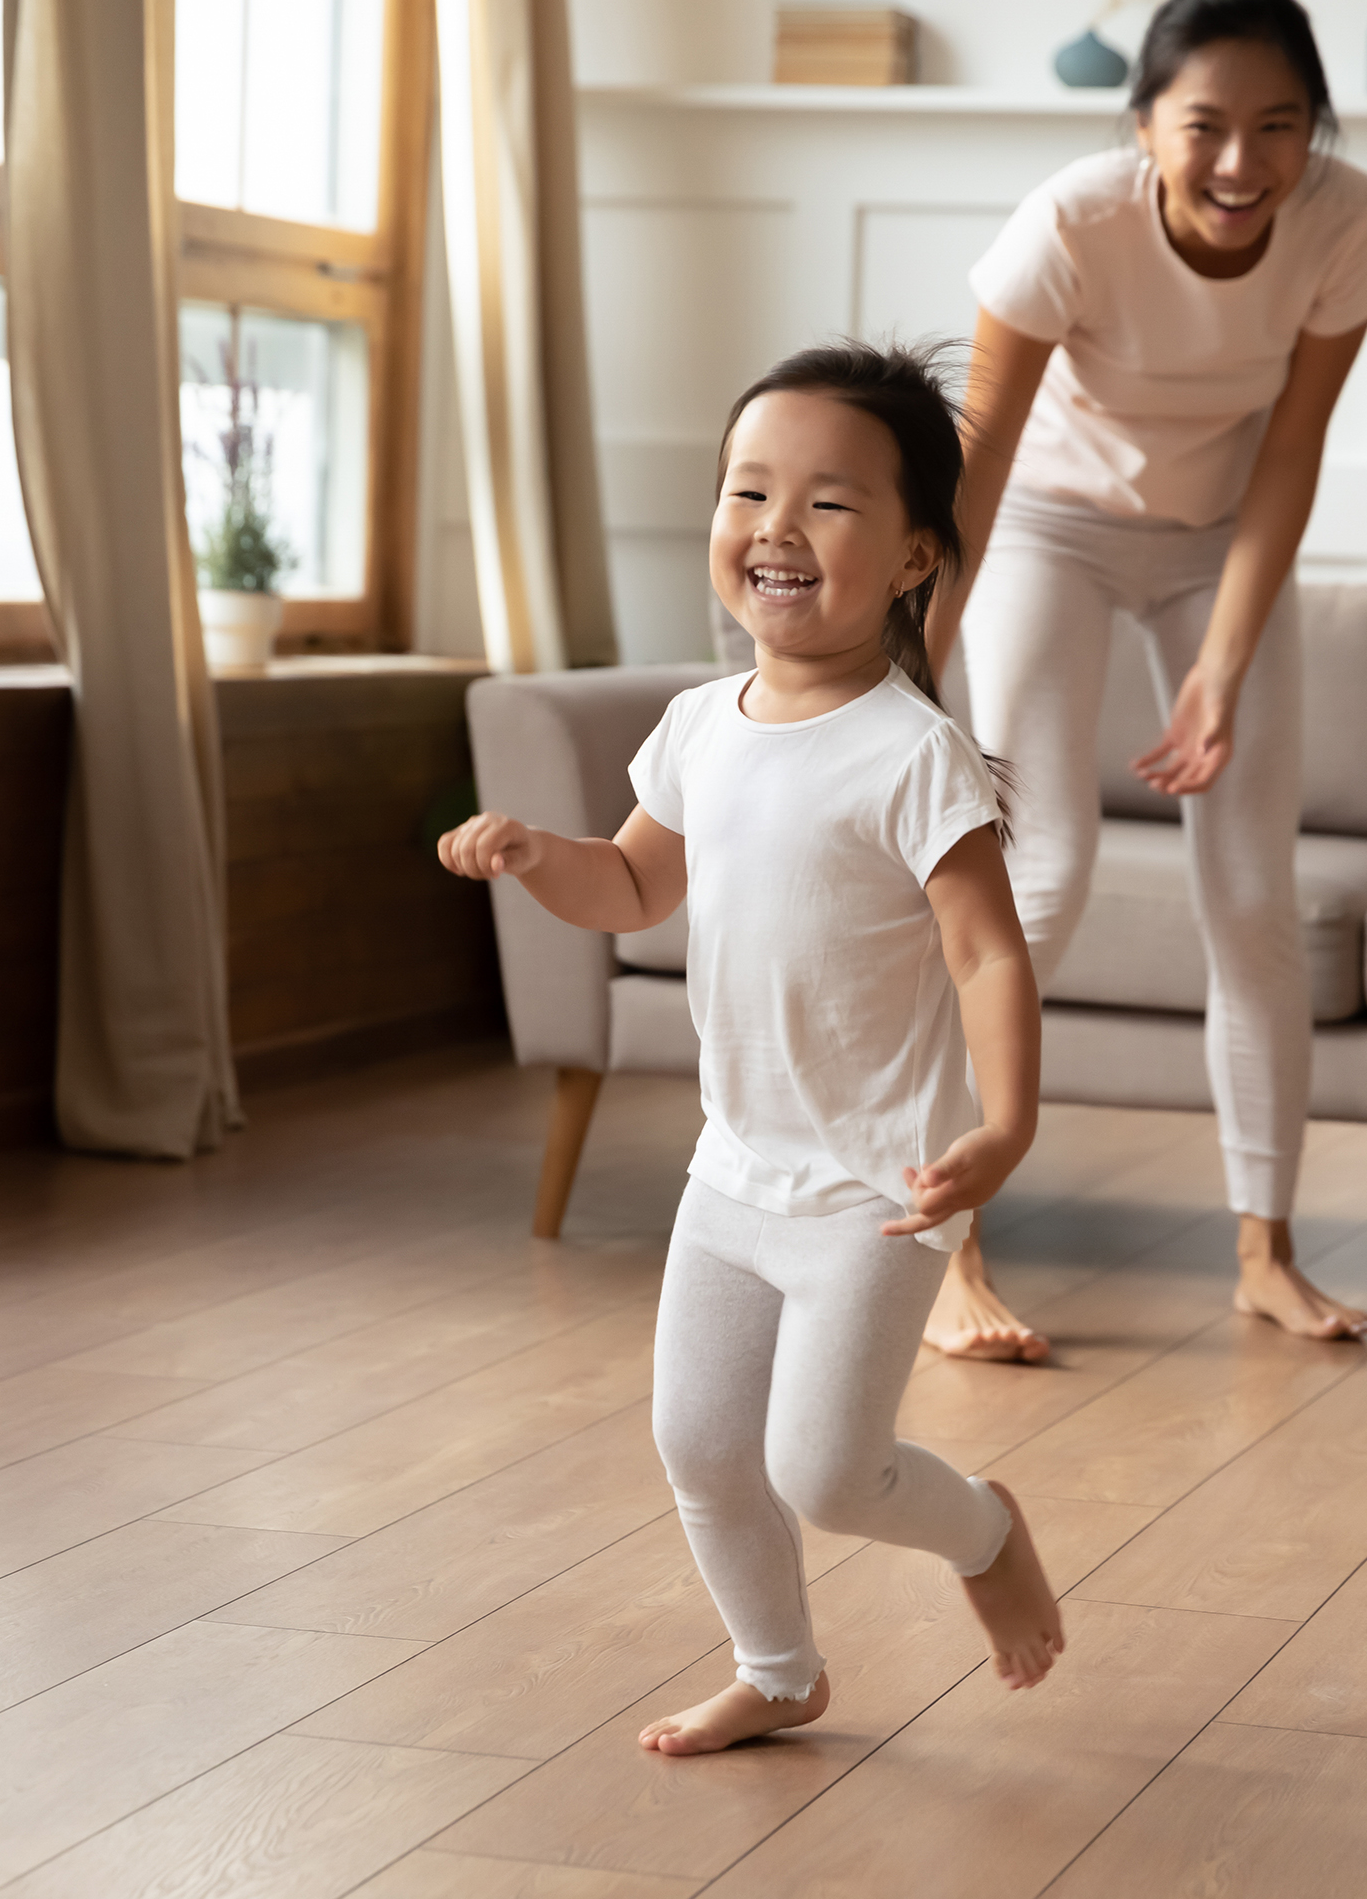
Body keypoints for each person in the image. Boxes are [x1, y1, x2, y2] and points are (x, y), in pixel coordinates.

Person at [438, 340, 1065, 1755]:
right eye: (749, 491)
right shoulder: (696, 728)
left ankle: (983, 1530)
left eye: (830, 503)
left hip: (876, 1191)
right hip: (733, 1174)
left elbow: (987, 953)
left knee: (828, 1473)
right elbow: (634, 886)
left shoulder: (913, 755)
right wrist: (540, 857)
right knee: (703, 1446)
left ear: (914, 558)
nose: (778, 526)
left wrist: (1006, 1127)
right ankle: (779, 1672)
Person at [920, 0, 1367, 1362]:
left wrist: (1220, 670)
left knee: (1253, 896)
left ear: (1315, 131)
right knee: (1046, 869)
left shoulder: (1345, 224)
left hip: (1216, 545)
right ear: (1145, 127)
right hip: (1047, 527)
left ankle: (1266, 1254)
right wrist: (912, 667)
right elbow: (982, 457)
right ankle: (944, 1247)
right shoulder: (1073, 221)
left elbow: (1292, 454)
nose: (1243, 162)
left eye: (1280, 125)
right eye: (1205, 127)